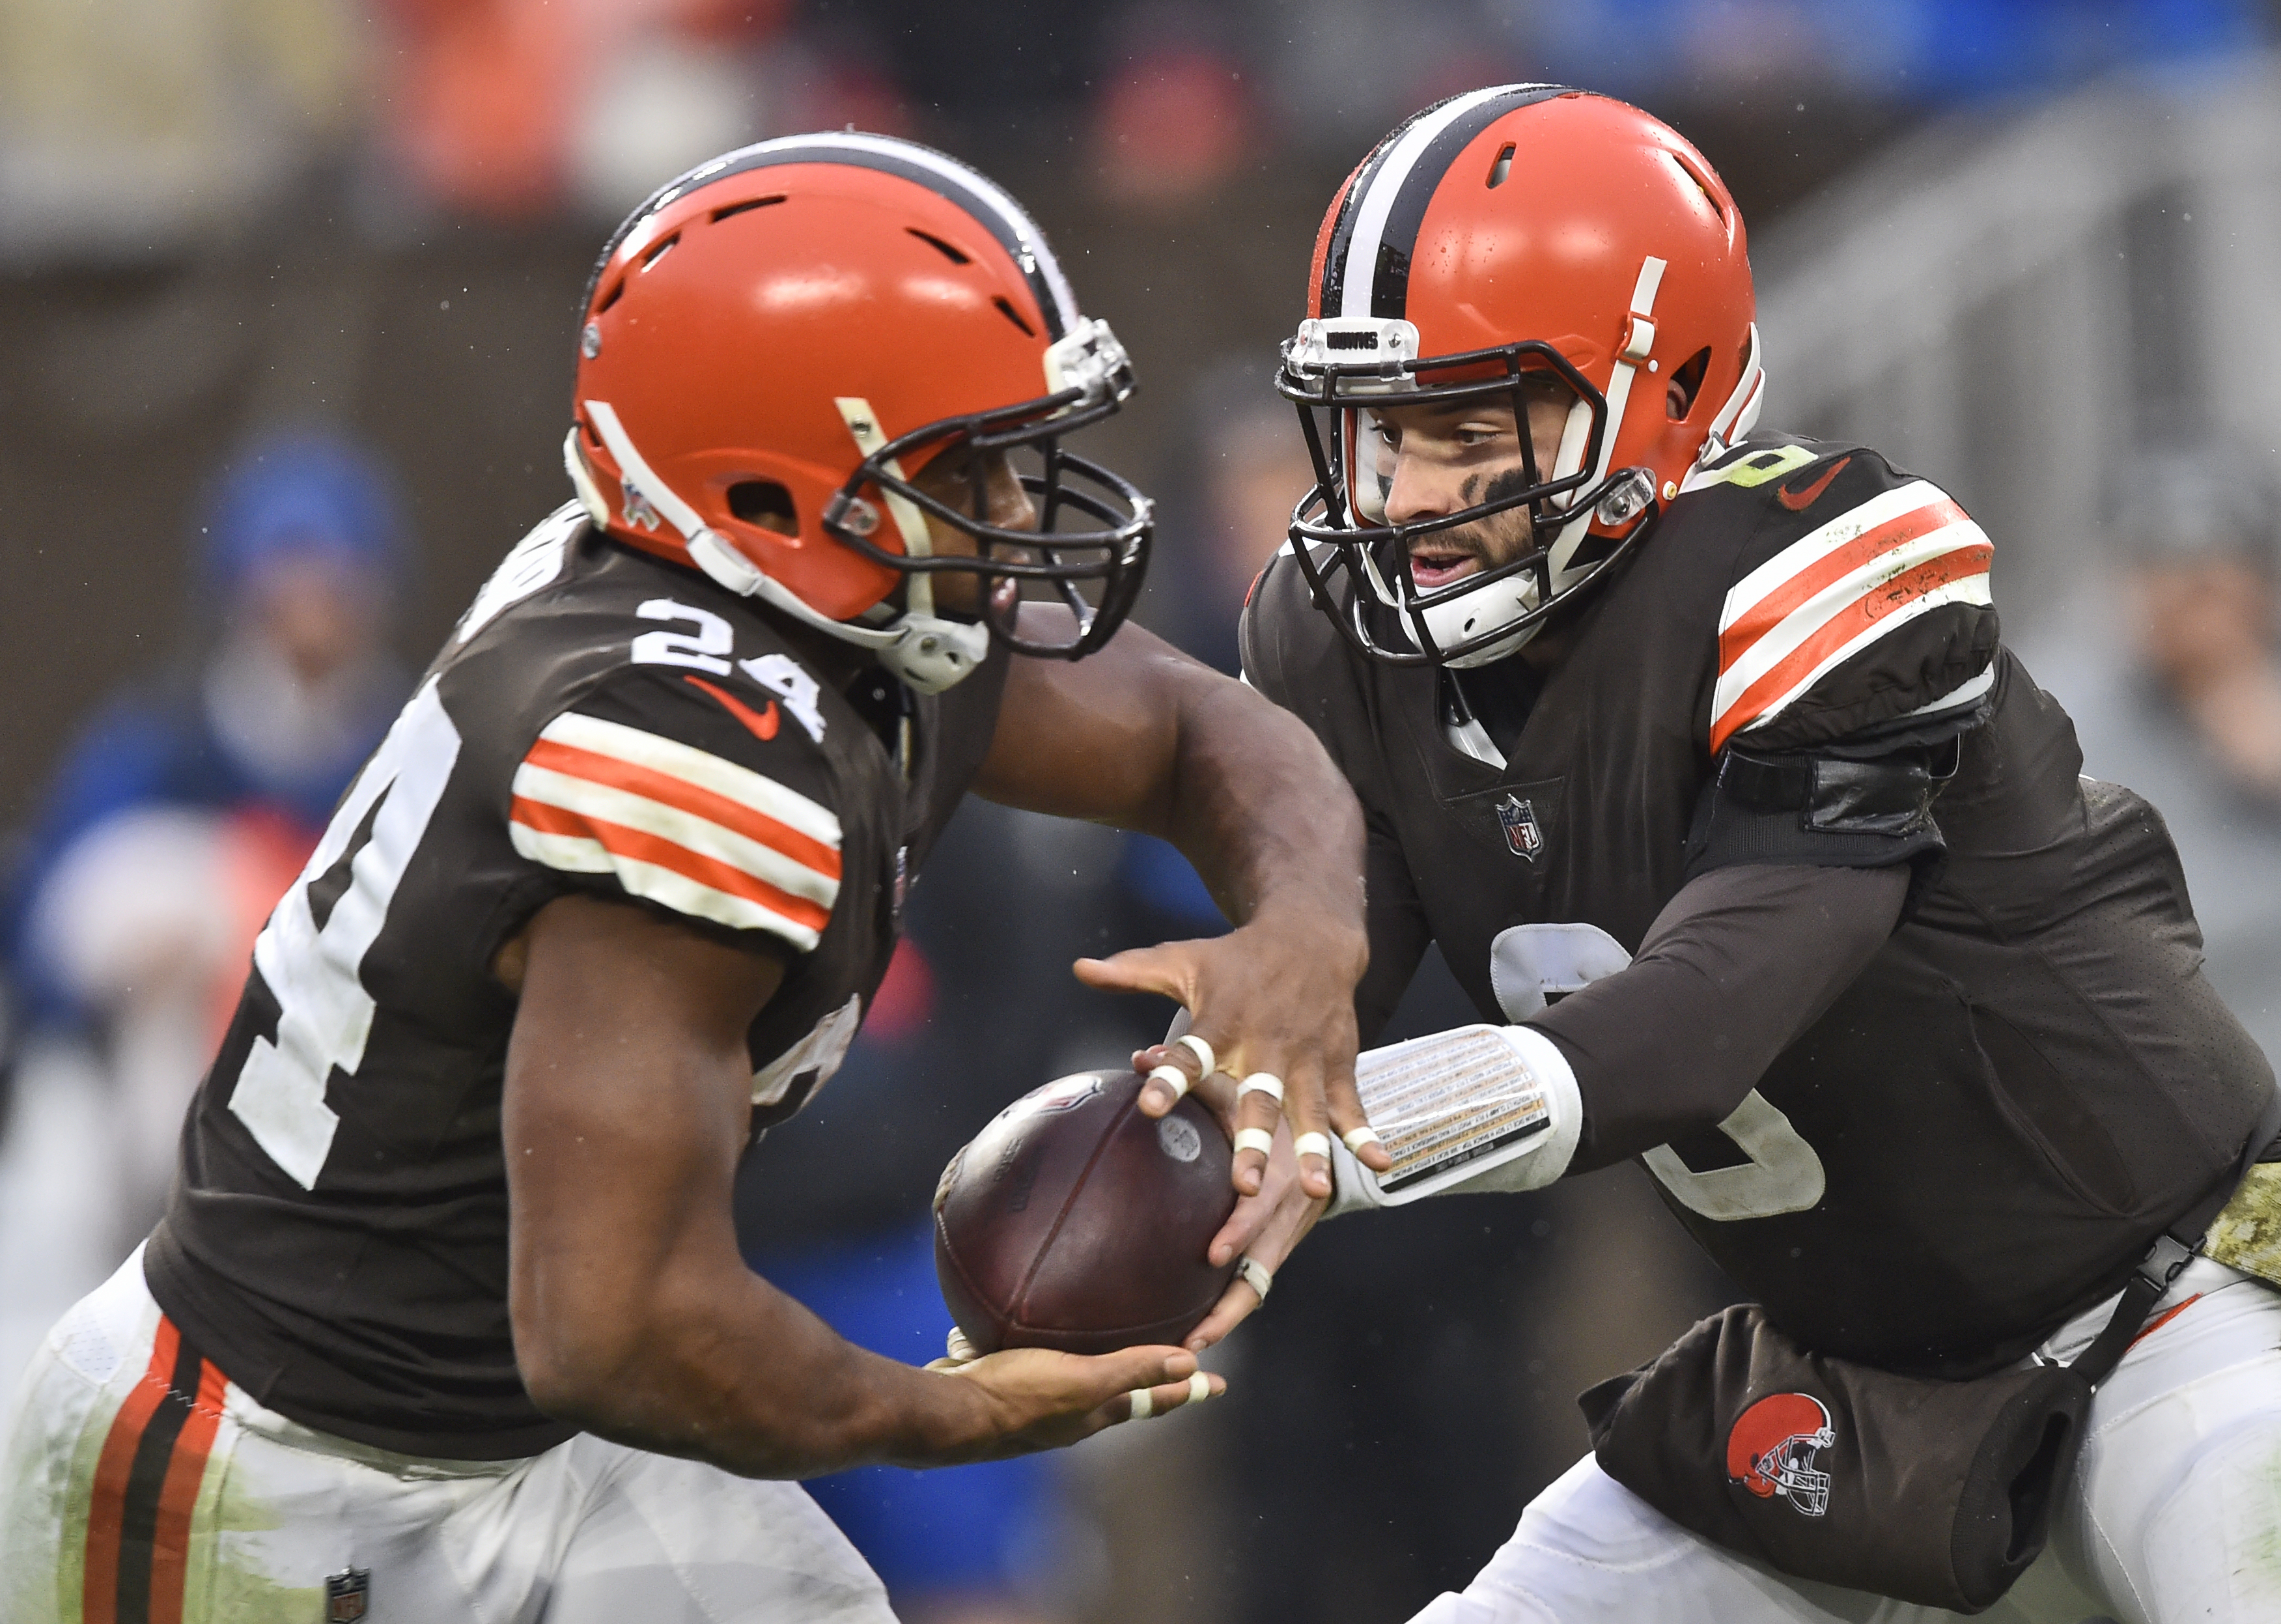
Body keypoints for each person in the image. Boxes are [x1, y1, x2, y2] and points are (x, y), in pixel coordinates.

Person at [0, 133, 1371, 1623]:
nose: (1023, 512)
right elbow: (620, 1328)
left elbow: (1191, 724)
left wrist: (1305, 927)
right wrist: (952, 1411)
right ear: (780, 489)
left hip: (513, 1436)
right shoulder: (680, 756)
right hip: (273, 1466)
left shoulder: (809, 600)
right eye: (963, 464)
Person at [1161, 85, 2281, 1623]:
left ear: (1653, 392)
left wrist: (1336, 1147)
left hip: (2172, 1290)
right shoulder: (1332, 635)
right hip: (1836, 1360)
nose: (1407, 495)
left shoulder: (1820, 566)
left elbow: (1711, 1010)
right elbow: (1316, 1000)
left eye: (1465, 431)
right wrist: (1145, 1159)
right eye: (1376, 432)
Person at [2020, 441, 2281, 1275]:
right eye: (2169, 573)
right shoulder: (2057, 719)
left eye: (2222, 571)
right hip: (2212, 1214)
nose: (2200, 604)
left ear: (2275, 573)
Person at [3, 432, 412, 1257]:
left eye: (336, 576)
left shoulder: (409, 746)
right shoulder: (161, 743)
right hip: (135, 1098)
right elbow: (43, 932)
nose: (312, 602)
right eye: (289, 572)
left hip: (345, 1102)